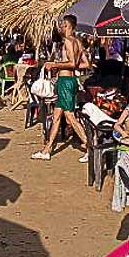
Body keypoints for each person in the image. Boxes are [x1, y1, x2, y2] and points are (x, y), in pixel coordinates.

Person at [33, 16, 91, 161]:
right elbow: (86, 64)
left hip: (65, 81)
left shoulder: (68, 41)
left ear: (68, 26)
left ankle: (89, 146)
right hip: (69, 81)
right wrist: (65, 66)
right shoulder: (77, 42)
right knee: (56, 117)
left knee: (70, 117)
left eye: (63, 25)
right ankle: (47, 150)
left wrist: (55, 64)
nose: (61, 27)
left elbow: (71, 63)